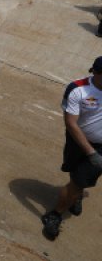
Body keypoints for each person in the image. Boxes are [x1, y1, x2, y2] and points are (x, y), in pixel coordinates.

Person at [41, 57, 102, 240]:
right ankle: (77, 194)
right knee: (74, 172)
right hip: (77, 141)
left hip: (100, 148)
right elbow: (71, 123)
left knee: (76, 184)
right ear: (95, 72)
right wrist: (90, 152)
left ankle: (55, 214)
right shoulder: (77, 89)